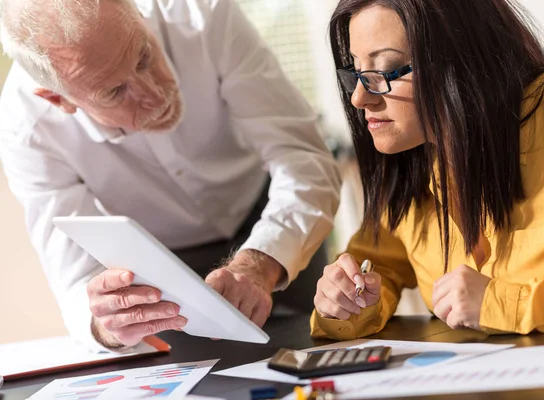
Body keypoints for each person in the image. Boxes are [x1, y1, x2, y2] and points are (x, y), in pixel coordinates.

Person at [0, 0, 342, 351]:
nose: (155, 93)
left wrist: (261, 263)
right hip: (159, 267)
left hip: (274, 216)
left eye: (144, 55)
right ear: (59, 99)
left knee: (315, 353)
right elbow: (74, 280)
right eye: (115, 91)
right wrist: (107, 323)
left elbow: (302, 157)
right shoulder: (26, 128)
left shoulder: (205, 14)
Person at [311, 0, 544, 340]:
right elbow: (377, 269)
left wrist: (507, 304)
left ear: (462, 60)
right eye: (356, 72)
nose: (359, 98)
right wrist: (345, 300)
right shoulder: (409, 165)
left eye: (384, 69)